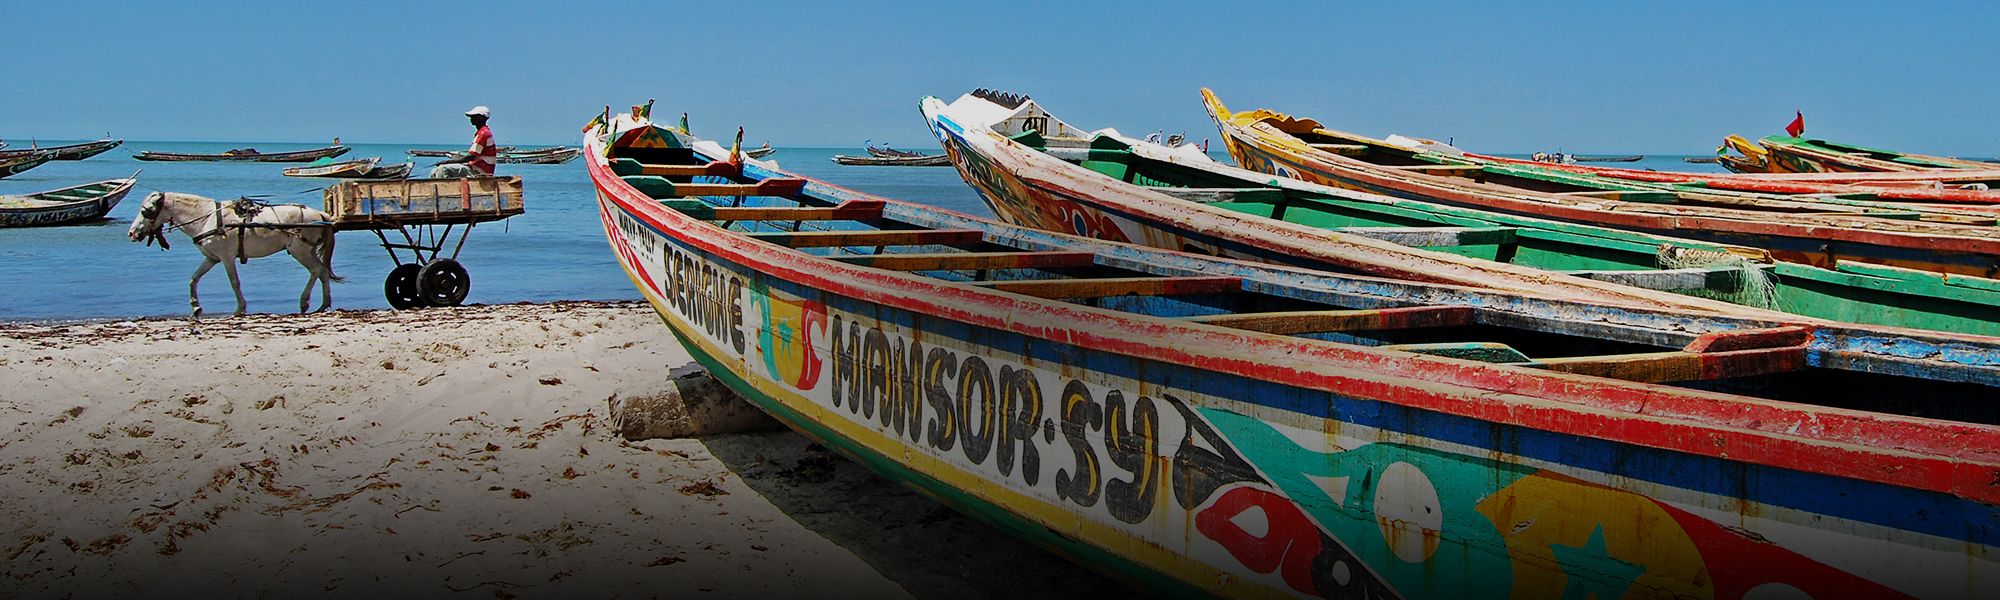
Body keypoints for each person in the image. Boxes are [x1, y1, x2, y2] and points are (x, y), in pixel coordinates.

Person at [430, 106, 497, 178]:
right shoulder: (481, 132)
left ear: (481, 118)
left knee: (443, 169)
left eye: (474, 117)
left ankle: (442, 188)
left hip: (480, 171)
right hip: (473, 168)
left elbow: (470, 157)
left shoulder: (483, 133)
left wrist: (447, 162)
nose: (471, 119)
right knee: (434, 171)